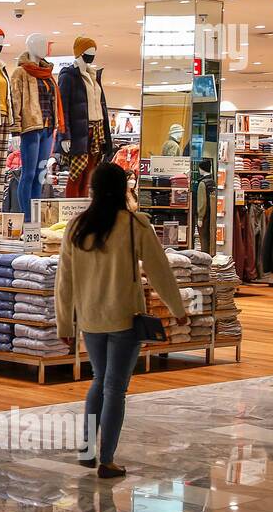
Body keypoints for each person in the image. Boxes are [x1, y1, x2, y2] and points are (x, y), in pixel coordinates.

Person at [55, 163, 188, 479]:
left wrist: (64, 324)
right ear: (124, 189)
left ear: (93, 189)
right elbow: (160, 271)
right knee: (115, 389)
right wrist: (177, 307)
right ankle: (108, 459)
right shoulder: (135, 224)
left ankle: (87, 452)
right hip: (125, 317)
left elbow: (65, 281)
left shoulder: (76, 227)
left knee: (99, 381)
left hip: (90, 318)